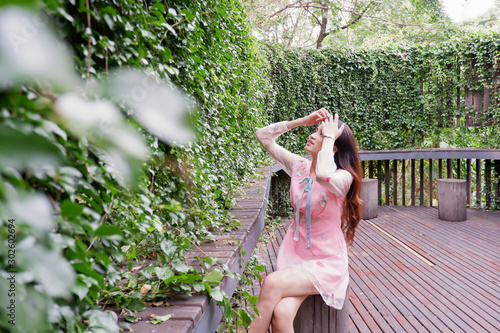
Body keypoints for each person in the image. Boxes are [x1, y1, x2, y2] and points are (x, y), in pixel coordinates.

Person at [249, 108, 363, 333]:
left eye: (320, 134)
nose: (312, 134)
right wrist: (302, 121)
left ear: (333, 147)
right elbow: (262, 135)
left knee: (270, 282)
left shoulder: (343, 178)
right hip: (295, 257)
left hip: (327, 261)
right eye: (316, 131)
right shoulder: (299, 167)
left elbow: (323, 176)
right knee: (281, 314)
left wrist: (330, 136)